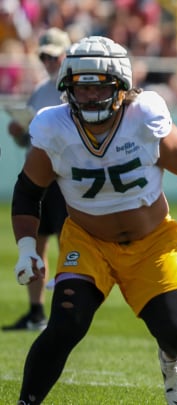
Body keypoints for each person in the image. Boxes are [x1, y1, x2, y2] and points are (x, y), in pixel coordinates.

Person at [11, 36, 177, 405]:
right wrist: (26, 248)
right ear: (67, 88)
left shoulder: (144, 117)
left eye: (98, 88)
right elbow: (27, 192)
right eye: (80, 88)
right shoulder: (54, 127)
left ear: (120, 87)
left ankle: (172, 360)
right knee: (65, 327)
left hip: (152, 242)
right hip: (87, 241)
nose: (87, 97)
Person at [3, 27, 71, 332]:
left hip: (64, 176)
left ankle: (68, 312)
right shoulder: (42, 89)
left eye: (52, 55)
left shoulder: (75, 87)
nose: (47, 61)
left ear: (66, 55)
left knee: (71, 244)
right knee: (37, 243)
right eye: (44, 56)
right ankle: (36, 312)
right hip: (41, 176)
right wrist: (20, 133)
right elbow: (32, 138)